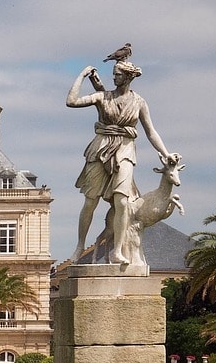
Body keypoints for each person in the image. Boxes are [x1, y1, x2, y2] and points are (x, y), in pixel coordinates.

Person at [67, 59, 178, 264]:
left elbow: (151, 131)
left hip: (126, 149)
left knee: (123, 201)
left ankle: (117, 251)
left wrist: (166, 153)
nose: (114, 77)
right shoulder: (103, 96)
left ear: (127, 77)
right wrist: (82, 75)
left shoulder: (139, 102)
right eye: (114, 73)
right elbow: (71, 101)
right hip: (100, 148)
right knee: (91, 201)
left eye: (117, 74)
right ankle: (79, 247)